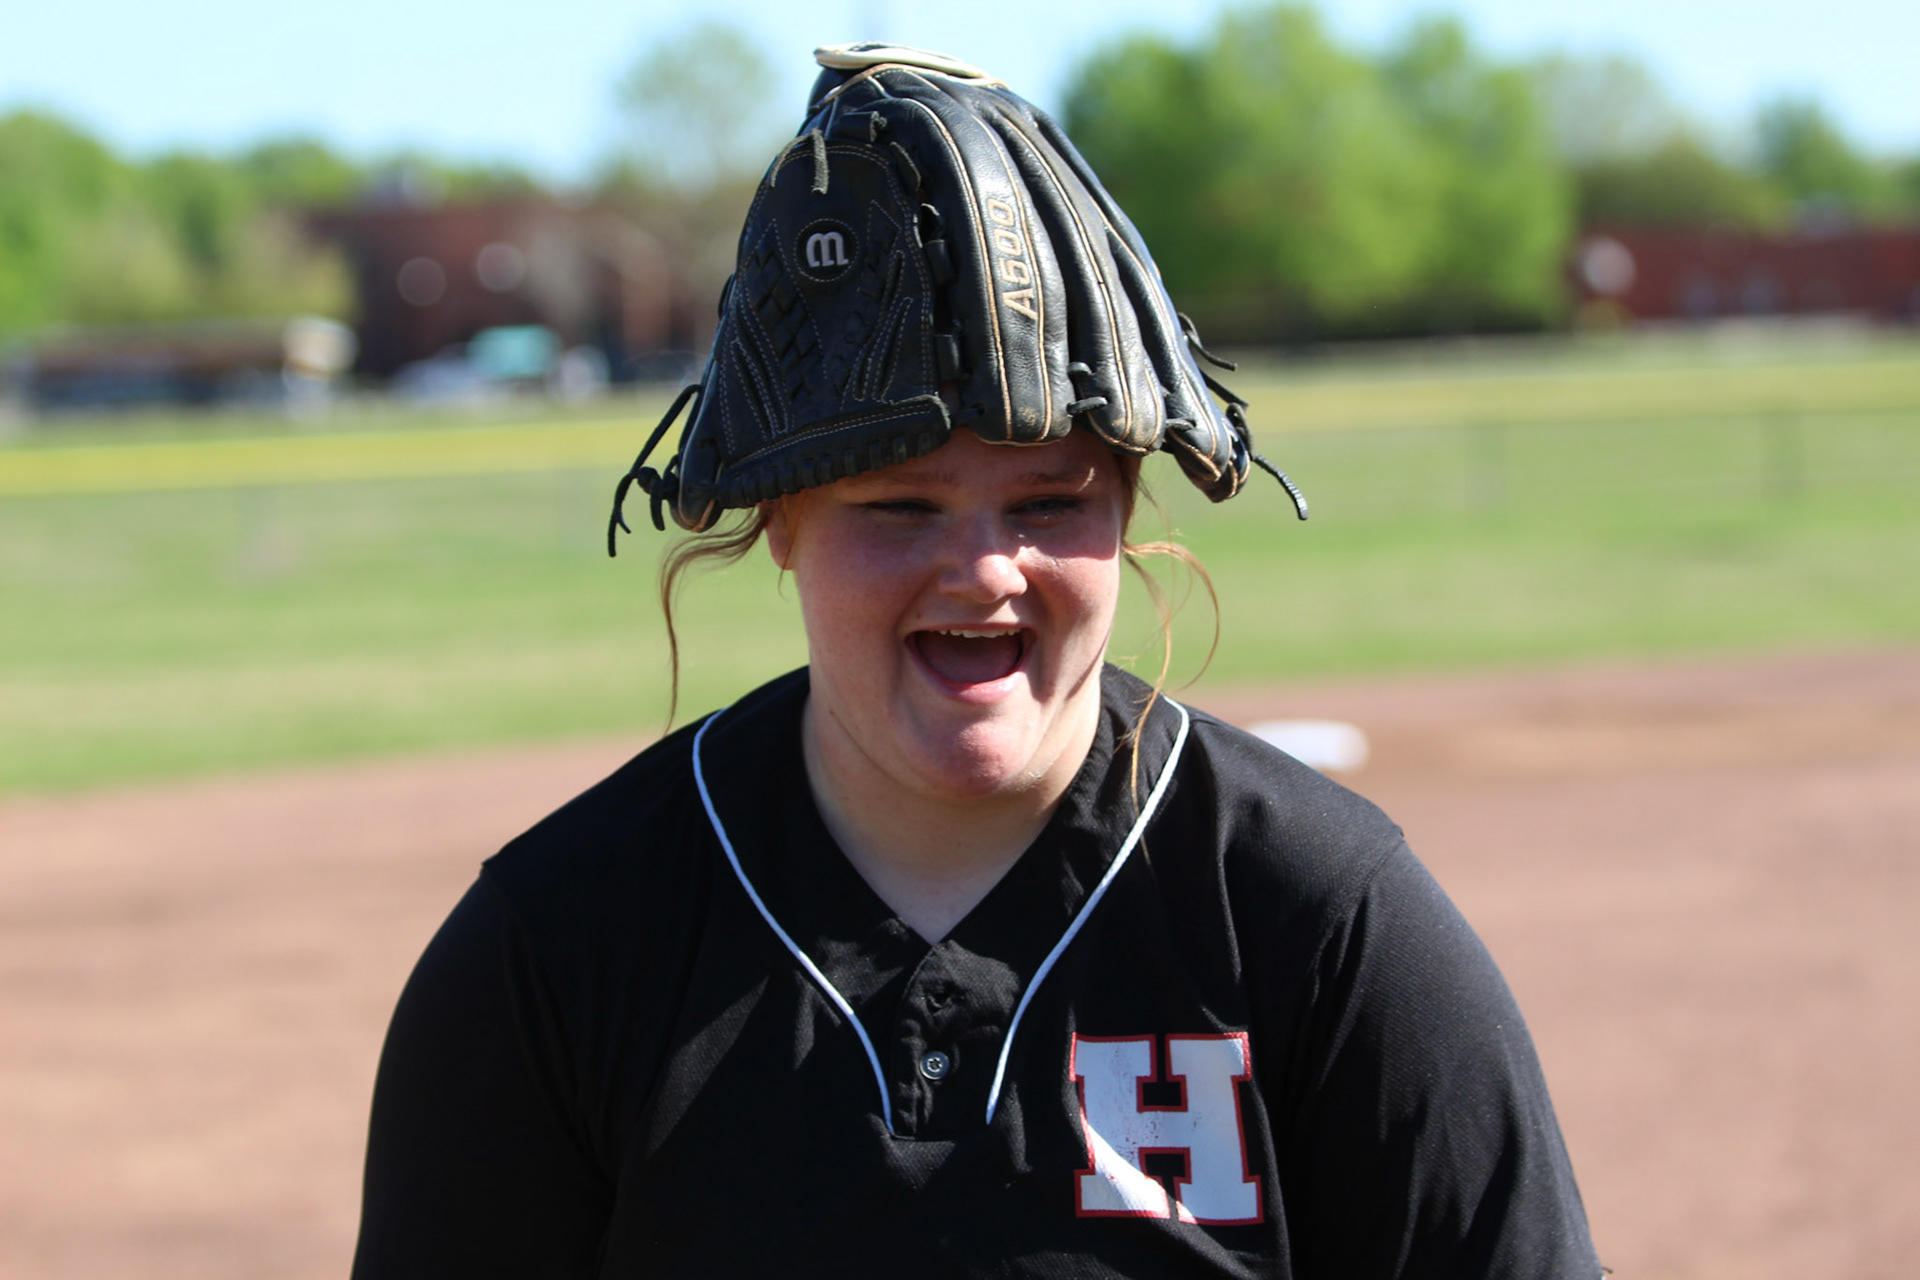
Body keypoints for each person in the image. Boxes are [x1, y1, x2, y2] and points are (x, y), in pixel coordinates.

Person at [352, 44, 1600, 1278]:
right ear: (781, 519)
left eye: (1051, 501)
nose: (986, 569)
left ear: (1127, 509)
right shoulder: (563, 946)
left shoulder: (1321, 920)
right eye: (900, 504)